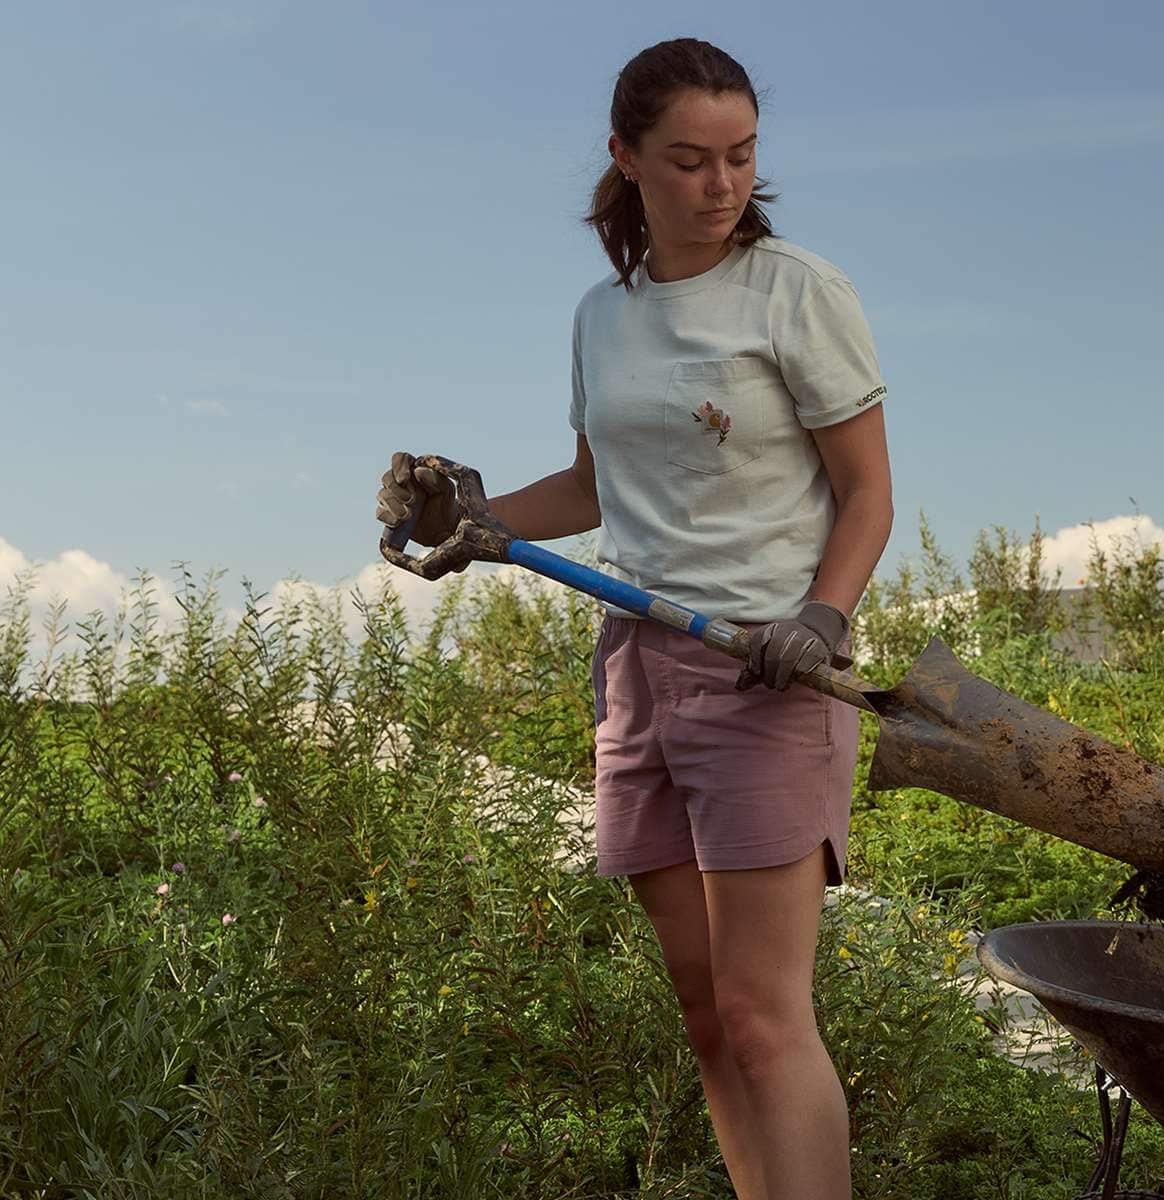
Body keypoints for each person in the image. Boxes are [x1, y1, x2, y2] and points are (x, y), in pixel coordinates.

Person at [374, 36, 892, 1200]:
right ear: (626, 159)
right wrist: (468, 515)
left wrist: (821, 614)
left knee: (767, 1019)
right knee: (709, 1020)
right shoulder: (602, 316)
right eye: (691, 160)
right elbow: (599, 484)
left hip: (768, 666)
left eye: (742, 157)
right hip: (641, 666)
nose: (722, 185)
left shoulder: (797, 292)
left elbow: (867, 493)